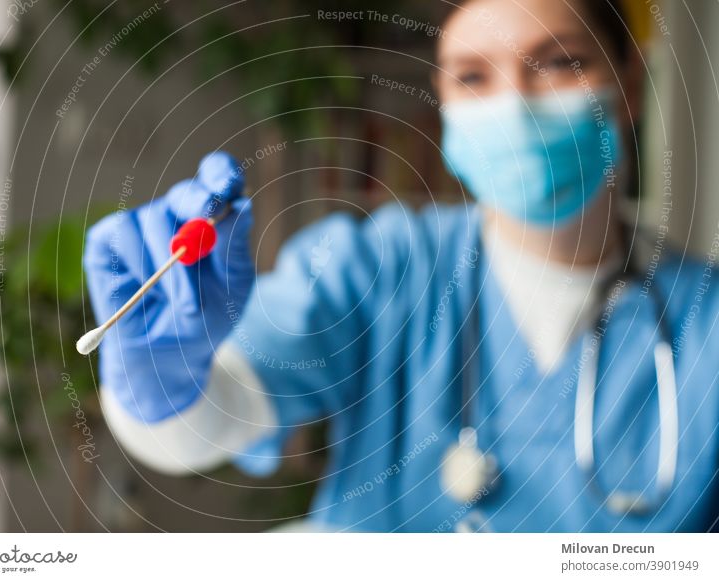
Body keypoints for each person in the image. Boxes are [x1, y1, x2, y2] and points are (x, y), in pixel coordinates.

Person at [83, 0, 719, 532]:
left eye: (559, 63)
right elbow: (221, 415)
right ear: (442, 102)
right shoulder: (381, 264)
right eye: (473, 77)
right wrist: (161, 384)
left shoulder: (705, 325)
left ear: (629, 86)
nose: (515, 104)